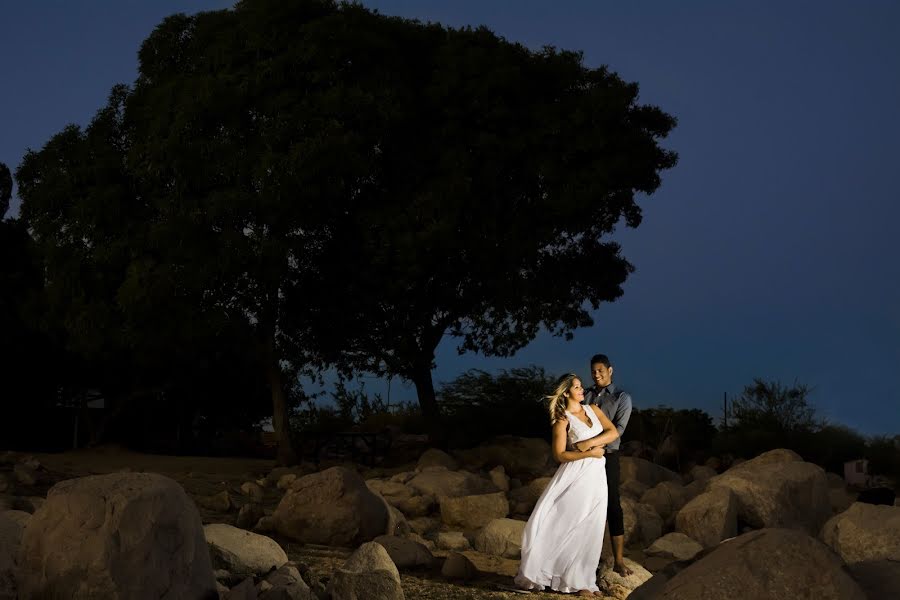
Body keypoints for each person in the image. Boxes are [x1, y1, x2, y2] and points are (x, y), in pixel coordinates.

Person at [515, 374, 620, 597]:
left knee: (592, 525)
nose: (582, 390)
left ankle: (583, 580)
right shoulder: (563, 419)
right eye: (577, 387)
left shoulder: (594, 409)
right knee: (568, 522)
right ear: (566, 393)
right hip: (576, 475)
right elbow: (559, 454)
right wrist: (590, 454)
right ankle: (554, 574)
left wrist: (590, 443)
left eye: (581, 386)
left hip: (597, 476)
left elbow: (613, 432)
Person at [579, 353, 634, 576]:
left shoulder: (622, 397)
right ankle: (583, 560)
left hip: (608, 456)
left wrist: (594, 444)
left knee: (613, 505)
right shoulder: (586, 394)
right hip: (586, 457)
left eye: (601, 370)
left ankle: (618, 560)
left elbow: (619, 430)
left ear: (610, 371)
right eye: (593, 371)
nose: (596, 374)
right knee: (584, 504)